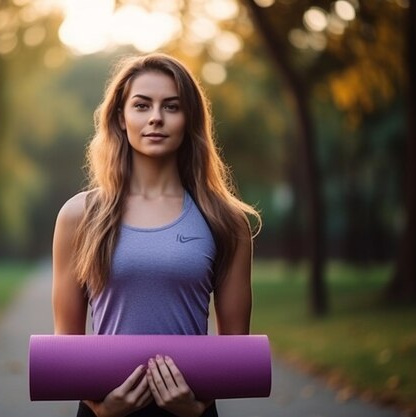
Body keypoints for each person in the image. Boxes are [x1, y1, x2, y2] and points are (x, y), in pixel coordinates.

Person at [51, 53, 261, 417]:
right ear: (121, 117)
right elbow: (66, 344)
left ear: (188, 118)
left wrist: (197, 406)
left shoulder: (226, 220)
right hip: (104, 410)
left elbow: (235, 349)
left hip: (191, 411)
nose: (156, 118)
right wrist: (101, 408)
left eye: (172, 106)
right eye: (142, 105)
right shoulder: (79, 215)